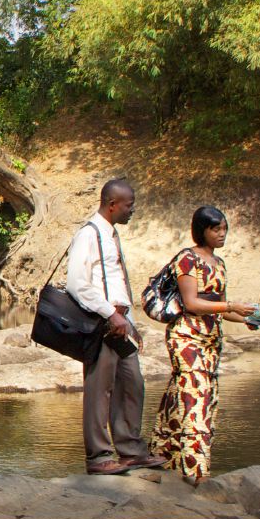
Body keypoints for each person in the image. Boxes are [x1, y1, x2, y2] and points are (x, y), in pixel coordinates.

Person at [149, 206, 258, 486]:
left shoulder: (219, 263)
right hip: (186, 336)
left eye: (224, 229)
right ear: (202, 230)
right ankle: (196, 470)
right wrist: (231, 305)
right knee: (196, 398)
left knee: (181, 395)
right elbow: (192, 303)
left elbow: (218, 306)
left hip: (210, 339)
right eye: (215, 229)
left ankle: (163, 455)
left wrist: (245, 318)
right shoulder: (187, 259)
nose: (221, 234)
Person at [66, 178, 167, 475]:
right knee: (100, 389)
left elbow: (116, 281)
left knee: (132, 382)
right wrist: (111, 314)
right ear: (112, 205)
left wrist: (129, 322)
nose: (132, 210)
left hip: (120, 322)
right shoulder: (88, 234)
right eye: (129, 205)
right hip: (101, 322)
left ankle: (131, 450)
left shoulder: (111, 234)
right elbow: (77, 284)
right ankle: (98, 456)